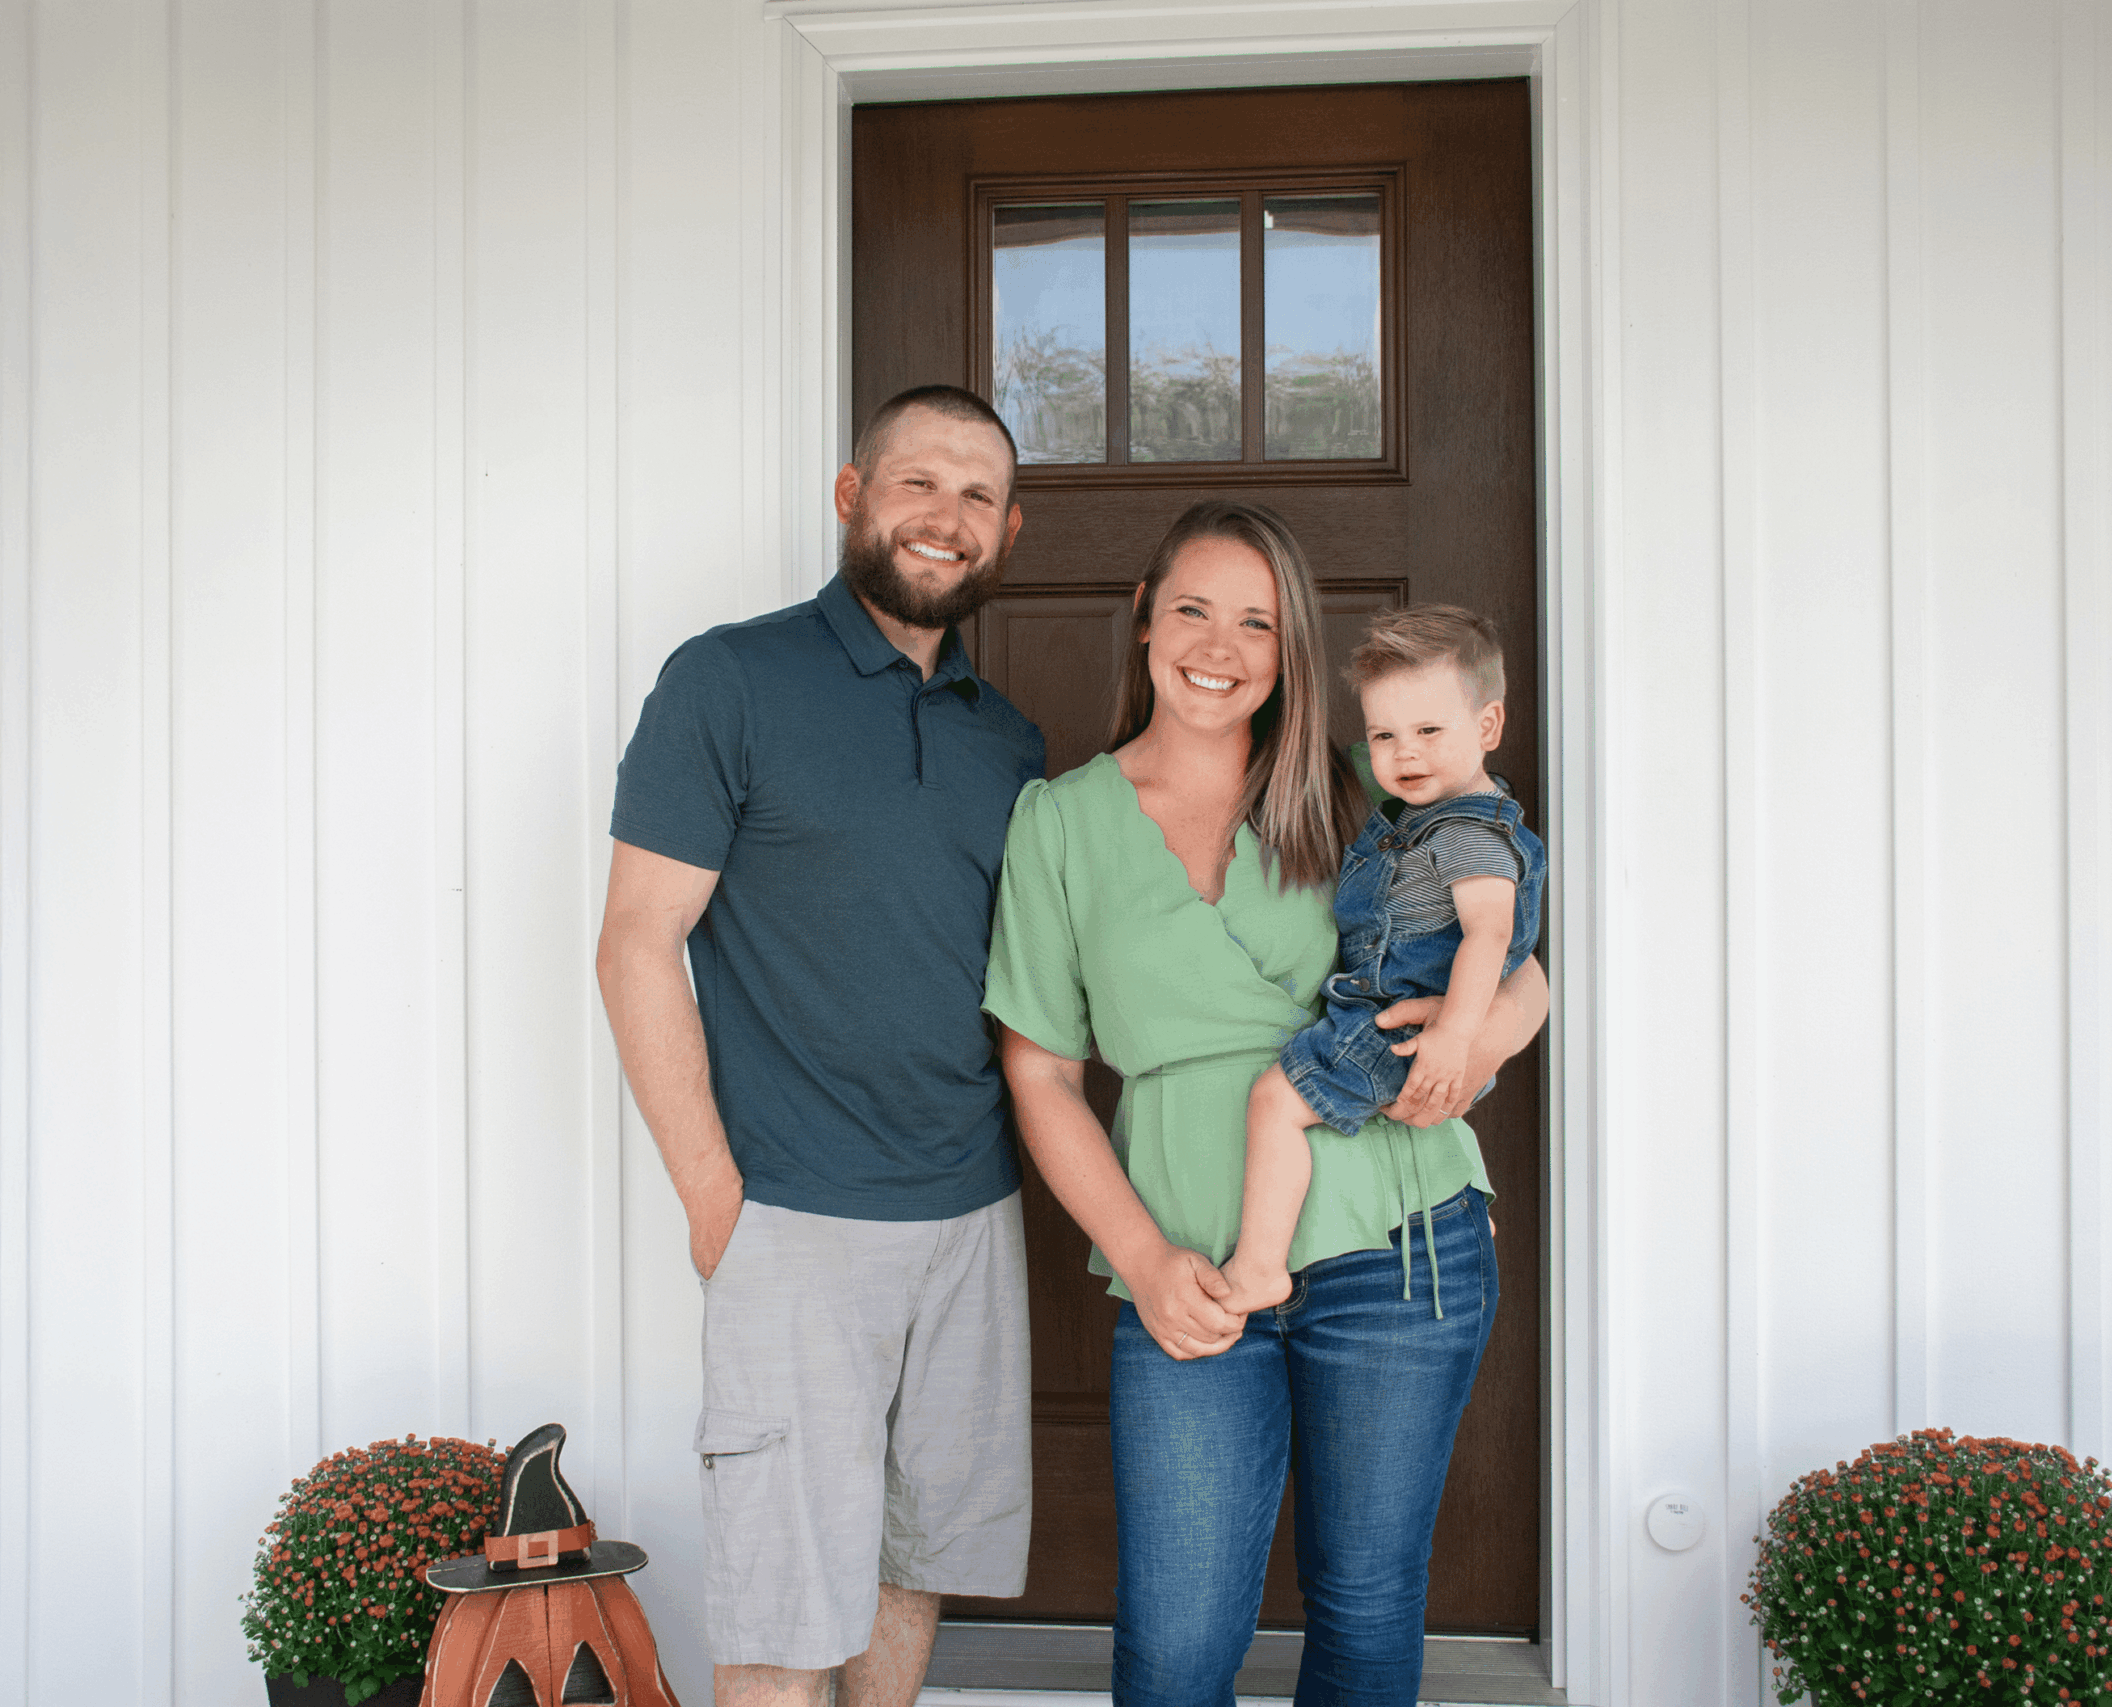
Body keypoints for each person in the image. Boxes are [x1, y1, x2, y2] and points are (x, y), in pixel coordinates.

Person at [983, 501, 1548, 1707]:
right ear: (1143, 619)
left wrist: (1471, 1051)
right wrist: (1139, 1259)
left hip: (1401, 1247)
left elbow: (1518, 959)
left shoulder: (1370, 787)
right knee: (1177, 1645)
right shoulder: (1059, 823)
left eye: (1258, 621)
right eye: (1193, 608)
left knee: (1365, 1604)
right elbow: (1040, 1072)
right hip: (1185, 1265)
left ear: (1291, 648)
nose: (1220, 645)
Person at [595, 385, 1044, 1707]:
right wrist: (714, 1202)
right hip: (792, 1217)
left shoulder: (1005, 738)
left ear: (1008, 529)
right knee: (785, 1606)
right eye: (918, 482)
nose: (944, 517)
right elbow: (636, 943)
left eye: (976, 494)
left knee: (913, 1561)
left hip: (972, 1212)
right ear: (852, 495)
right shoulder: (729, 679)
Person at [1221, 605, 1546, 1314]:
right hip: (1409, 1018)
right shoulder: (1425, 816)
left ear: (1488, 727)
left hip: (1392, 1023)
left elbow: (1492, 938)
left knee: (1275, 1102)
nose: (1406, 754)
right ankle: (1445, 1203)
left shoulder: (1463, 833)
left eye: (1430, 730)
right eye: (1383, 736)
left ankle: (1258, 1268)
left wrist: (1458, 1037)